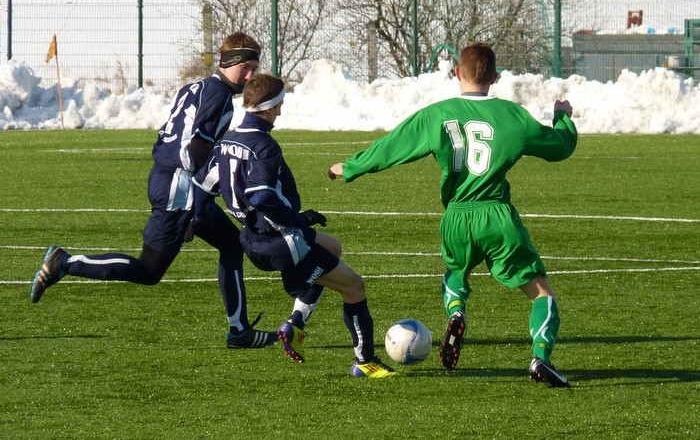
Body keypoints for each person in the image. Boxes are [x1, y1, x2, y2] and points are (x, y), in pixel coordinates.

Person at [328, 42, 577, 387]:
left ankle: (456, 310)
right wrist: (563, 116)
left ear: (457, 72)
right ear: (496, 76)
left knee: (456, 270)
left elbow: (394, 146)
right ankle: (540, 357)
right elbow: (560, 148)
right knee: (541, 293)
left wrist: (350, 167)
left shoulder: (437, 114)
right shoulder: (512, 116)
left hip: (457, 217)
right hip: (497, 216)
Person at [30, 32, 277, 349]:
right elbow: (198, 146)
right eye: (247, 67)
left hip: (169, 178)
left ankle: (239, 332)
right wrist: (199, 200)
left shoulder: (197, 87)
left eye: (255, 68)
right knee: (149, 270)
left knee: (232, 245)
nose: (251, 76)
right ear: (230, 63)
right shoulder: (217, 95)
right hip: (181, 185)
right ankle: (63, 262)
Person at [192, 73, 397, 378]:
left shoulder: (227, 142)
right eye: (280, 104)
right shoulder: (264, 146)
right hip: (282, 241)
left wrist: (189, 220)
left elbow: (202, 189)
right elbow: (261, 196)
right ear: (271, 107)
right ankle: (364, 363)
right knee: (354, 286)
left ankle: (296, 323)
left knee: (332, 248)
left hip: (253, 238)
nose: (282, 110)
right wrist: (298, 219)